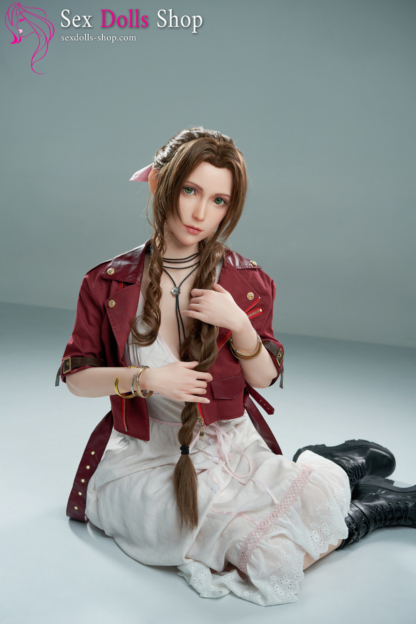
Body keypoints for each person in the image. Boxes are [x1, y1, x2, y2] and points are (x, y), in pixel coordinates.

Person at [56, 127, 416, 606]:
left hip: (228, 445)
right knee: (251, 552)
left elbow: (263, 377)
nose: (200, 213)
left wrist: (239, 324)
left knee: (282, 533)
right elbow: (78, 379)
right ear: (159, 183)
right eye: (190, 190)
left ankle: (355, 488)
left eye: (219, 200)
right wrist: (148, 379)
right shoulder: (106, 283)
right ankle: (361, 498)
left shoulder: (246, 281)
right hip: (145, 456)